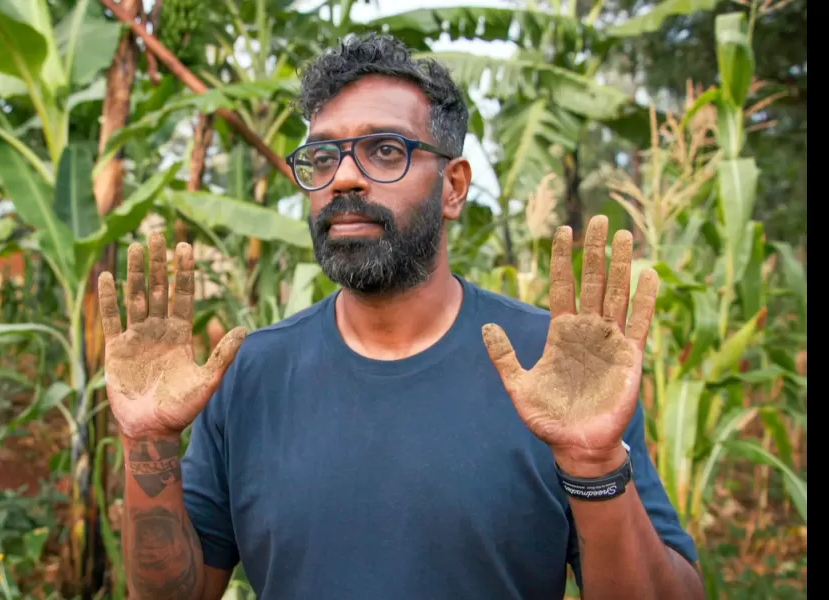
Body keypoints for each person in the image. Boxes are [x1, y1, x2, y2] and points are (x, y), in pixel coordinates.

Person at [96, 33, 705, 600]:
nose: (346, 178)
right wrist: (148, 442)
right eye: (323, 156)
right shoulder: (250, 374)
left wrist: (595, 465)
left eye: (384, 150)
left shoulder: (557, 369)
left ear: (454, 186)